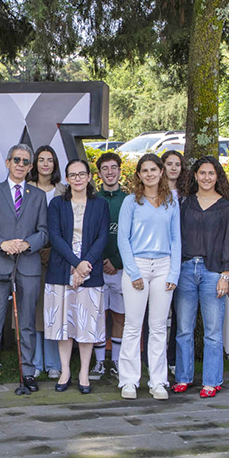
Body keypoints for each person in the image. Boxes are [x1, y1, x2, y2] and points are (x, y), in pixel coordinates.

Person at [0, 143, 48, 392]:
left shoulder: (38, 196)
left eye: (25, 161)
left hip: (28, 266)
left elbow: (44, 232)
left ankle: (28, 371)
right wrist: (3, 244)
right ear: (8, 163)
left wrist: (28, 244)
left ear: (30, 168)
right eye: (16, 160)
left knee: (27, 322)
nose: (20, 164)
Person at [116, 154, 180, 400]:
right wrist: (133, 272)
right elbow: (123, 239)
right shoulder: (131, 202)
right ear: (139, 175)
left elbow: (176, 238)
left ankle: (158, 381)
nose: (150, 174)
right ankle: (129, 381)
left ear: (161, 172)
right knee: (133, 326)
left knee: (158, 327)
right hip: (138, 265)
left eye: (154, 169)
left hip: (164, 265)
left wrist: (174, 272)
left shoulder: (170, 202)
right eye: (145, 170)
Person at [173, 156, 229, 398]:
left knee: (212, 331)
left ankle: (212, 381)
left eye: (211, 173)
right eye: (202, 173)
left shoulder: (226, 208)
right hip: (186, 270)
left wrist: (226, 275)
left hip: (213, 273)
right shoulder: (186, 204)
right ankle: (183, 377)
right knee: (184, 329)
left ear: (217, 176)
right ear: (195, 176)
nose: (207, 177)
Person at [44, 159, 109, 394]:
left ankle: (83, 372)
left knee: (86, 325)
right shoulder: (56, 205)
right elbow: (55, 236)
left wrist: (85, 265)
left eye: (82, 174)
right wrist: (75, 264)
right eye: (73, 175)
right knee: (63, 324)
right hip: (62, 268)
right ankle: (65, 371)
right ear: (67, 179)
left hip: (90, 270)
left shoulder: (100, 204)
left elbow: (103, 237)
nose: (78, 178)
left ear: (90, 177)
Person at [27, 145, 65, 380]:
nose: (45, 164)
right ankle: (35, 361)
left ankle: (53, 362)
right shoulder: (27, 189)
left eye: (49, 160)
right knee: (33, 308)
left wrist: (53, 250)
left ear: (55, 164)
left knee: (53, 310)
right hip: (30, 255)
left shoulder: (63, 190)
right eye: (41, 160)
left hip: (57, 257)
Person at [97, 152, 128, 381]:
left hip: (120, 269)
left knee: (119, 315)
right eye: (105, 168)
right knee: (97, 315)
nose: (110, 172)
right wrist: (100, 261)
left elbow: (132, 235)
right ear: (98, 173)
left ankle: (116, 360)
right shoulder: (92, 199)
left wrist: (116, 262)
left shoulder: (128, 200)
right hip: (96, 268)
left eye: (113, 167)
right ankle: (98, 362)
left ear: (119, 170)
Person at [162, 149, 186, 370]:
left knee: (179, 313)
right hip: (159, 258)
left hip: (182, 258)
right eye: (169, 164)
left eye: (177, 164)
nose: (173, 168)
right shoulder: (154, 194)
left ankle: (173, 360)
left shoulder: (186, 195)